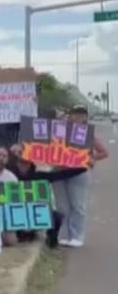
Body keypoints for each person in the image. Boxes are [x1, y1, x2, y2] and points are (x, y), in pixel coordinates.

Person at [51, 104, 108, 247]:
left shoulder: (88, 133)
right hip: (58, 173)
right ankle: (63, 235)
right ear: (70, 115)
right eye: (76, 114)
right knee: (62, 206)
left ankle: (76, 236)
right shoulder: (59, 130)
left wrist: (92, 158)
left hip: (79, 173)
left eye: (82, 115)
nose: (78, 117)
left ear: (85, 117)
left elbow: (103, 152)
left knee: (78, 205)